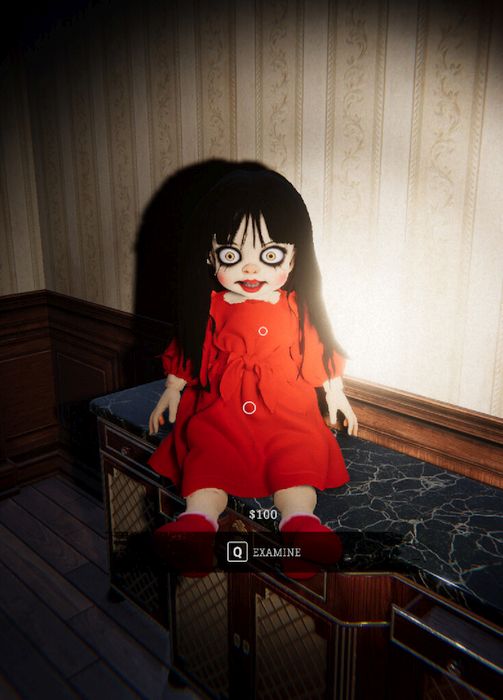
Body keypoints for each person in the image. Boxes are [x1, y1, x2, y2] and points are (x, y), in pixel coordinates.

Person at [148, 166, 357, 569]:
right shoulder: (210, 309)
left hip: (287, 412)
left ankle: (300, 525)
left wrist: (335, 392)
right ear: (210, 256)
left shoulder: (297, 309)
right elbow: (190, 348)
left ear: (294, 256)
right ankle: (196, 525)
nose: (250, 269)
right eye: (231, 255)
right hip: (220, 409)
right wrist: (173, 388)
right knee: (208, 460)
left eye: (270, 255)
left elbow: (318, 348)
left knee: (296, 464)